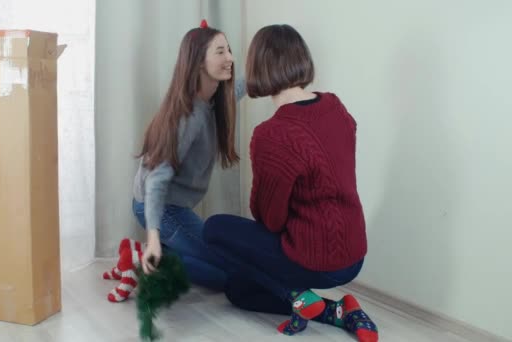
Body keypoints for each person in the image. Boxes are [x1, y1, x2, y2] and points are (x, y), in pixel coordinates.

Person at [203, 24, 379, 341]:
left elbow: (269, 220)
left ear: (258, 67)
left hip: (315, 257)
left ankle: (298, 295)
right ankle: (338, 311)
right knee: (239, 291)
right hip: (354, 254)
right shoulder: (336, 106)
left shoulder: (272, 134)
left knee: (214, 228)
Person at [131, 19, 245, 294]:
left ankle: (162, 251)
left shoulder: (211, 100)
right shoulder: (189, 115)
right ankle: (150, 257)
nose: (230, 58)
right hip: (161, 207)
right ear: (197, 63)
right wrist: (155, 238)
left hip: (173, 206)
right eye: (220, 52)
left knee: (224, 263)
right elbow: (156, 180)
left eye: (229, 50)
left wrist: (270, 75)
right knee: (226, 274)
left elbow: (238, 91)